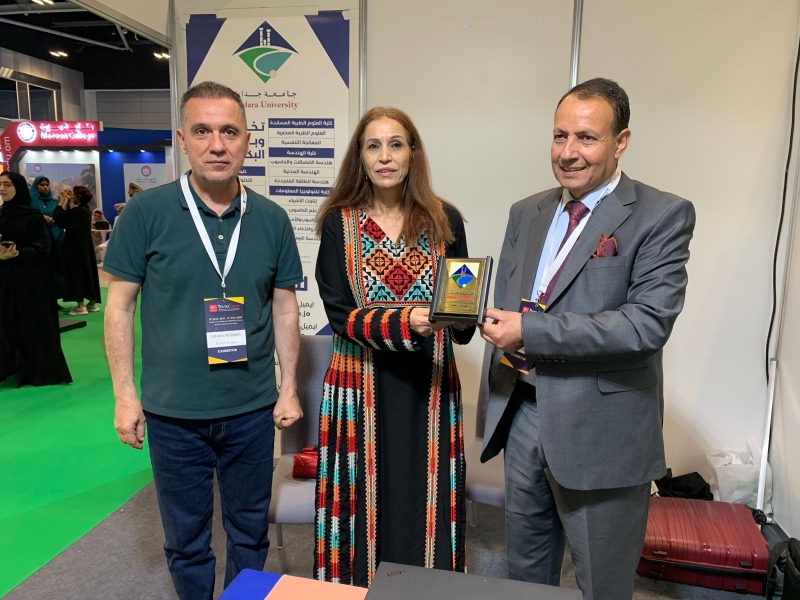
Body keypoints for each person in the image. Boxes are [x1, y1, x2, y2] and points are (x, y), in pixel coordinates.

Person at [478, 78, 695, 600]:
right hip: (522, 414)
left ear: (621, 142)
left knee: (602, 583)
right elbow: (512, 302)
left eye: (586, 138)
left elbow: (645, 325)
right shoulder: (526, 212)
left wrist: (529, 330)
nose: (568, 152)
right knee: (525, 578)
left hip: (602, 432)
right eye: (560, 135)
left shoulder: (662, 214)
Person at [102, 81, 304, 600]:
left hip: (251, 409)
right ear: (183, 139)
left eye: (229, 132)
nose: (217, 145)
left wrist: (288, 389)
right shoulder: (145, 213)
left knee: (249, 534)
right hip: (173, 413)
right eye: (202, 131)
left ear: (247, 140)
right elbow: (119, 307)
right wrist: (125, 395)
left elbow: (285, 308)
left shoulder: (272, 219)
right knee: (186, 541)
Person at [314, 107, 474, 587]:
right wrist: (408, 320)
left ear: (412, 153)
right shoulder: (339, 223)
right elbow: (340, 314)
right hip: (359, 387)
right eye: (373, 146)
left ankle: (428, 591)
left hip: (429, 389)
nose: (385, 156)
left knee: (425, 500)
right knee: (361, 503)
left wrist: (468, 314)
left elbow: (460, 311)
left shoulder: (445, 219)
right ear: (360, 158)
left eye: (396, 144)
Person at [0, 171, 72, 387]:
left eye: (7, 185)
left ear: (18, 188)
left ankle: (35, 370)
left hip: (31, 282)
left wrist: (17, 253)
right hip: (6, 280)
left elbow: (43, 250)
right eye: (0, 185)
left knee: (31, 325)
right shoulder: (2, 215)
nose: (2, 189)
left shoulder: (32, 217)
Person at [53, 186, 102, 315]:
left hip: (74, 248)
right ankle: (92, 303)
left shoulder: (78, 212)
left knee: (76, 274)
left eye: (73, 194)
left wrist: (62, 199)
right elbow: (68, 217)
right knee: (88, 272)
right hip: (85, 247)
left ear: (79, 196)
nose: (72, 196)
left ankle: (80, 306)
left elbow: (59, 218)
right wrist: (68, 200)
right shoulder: (85, 210)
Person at [30, 175, 66, 301]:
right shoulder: (31, 202)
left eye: (47, 185)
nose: (45, 187)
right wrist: (41, 218)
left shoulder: (54, 201)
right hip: (40, 241)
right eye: (42, 185)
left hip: (57, 238)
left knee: (56, 269)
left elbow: (60, 216)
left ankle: (55, 299)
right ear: (36, 186)